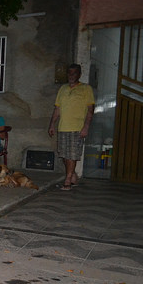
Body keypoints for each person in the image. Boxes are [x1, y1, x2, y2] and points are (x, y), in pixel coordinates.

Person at [48, 63, 95, 191]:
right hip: (63, 127)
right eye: (69, 73)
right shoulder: (63, 89)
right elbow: (57, 108)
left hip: (77, 127)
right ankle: (73, 175)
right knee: (64, 155)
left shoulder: (86, 89)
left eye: (74, 73)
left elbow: (90, 110)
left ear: (79, 74)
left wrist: (86, 127)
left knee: (72, 155)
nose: (71, 75)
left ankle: (68, 180)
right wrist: (52, 124)